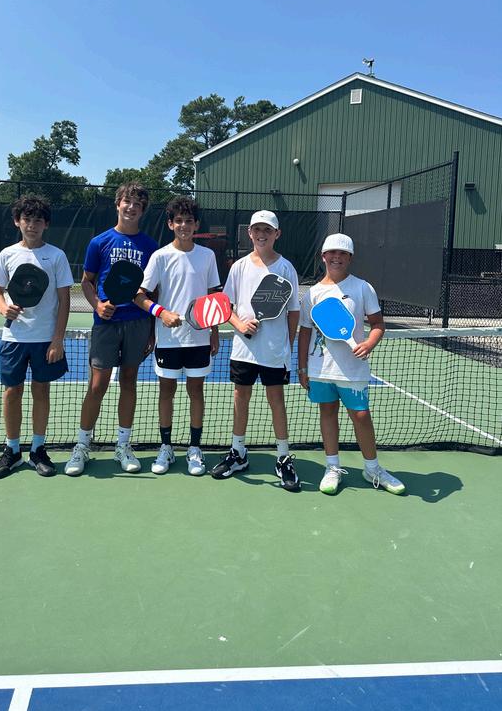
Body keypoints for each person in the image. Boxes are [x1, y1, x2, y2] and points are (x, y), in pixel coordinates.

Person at [298, 233, 405, 495]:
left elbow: (378, 324)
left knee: (361, 415)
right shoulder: (312, 294)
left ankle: (372, 469)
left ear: (350, 258)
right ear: (323, 256)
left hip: (353, 369)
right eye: (332, 253)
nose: (337, 257)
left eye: (342, 253)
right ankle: (332, 467)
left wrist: (369, 343)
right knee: (327, 412)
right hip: (320, 368)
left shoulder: (362, 288)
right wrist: (302, 367)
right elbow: (305, 333)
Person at [64, 182, 157, 476]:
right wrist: (97, 305)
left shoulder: (150, 246)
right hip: (106, 324)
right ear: (118, 204)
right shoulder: (99, 242)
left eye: (138, 205)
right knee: (97, 385)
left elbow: (154, 291)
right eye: (127, 202)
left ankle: (123, 446)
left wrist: (152, 330)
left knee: (129, 381)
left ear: (143, 211)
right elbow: (87, 281)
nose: (132, 208)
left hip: (138, 323)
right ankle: (82, 446)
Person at [211, 210, 301, 491]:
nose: (262, 234)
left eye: (267, 230)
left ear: (277, 234)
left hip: (274, 351)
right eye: (257, 229)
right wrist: (240, 324)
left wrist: (287, 344)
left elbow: (294, 312)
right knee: (241, 397)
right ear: (249, 233)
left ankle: (283, 457)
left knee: (276, 400)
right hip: (243, 350)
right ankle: (238, 452)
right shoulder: (239, 267)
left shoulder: (286, 268)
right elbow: (226, 305)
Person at [135, 196, 221, 476]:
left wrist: (214, 332)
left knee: (196, 391)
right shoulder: (160, 256)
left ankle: (195, 449)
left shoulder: (207, 256)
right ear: (171, 224)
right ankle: (166, 447)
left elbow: (213, 297)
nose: (184, 225)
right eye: (179, 221)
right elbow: (139, 296)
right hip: (168, 339)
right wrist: (161, 313)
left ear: (197, 225)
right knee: (166, 392)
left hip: (199, 338)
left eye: (189, 221)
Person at [0, 195, 73, 479]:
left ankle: (38, 449)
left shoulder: (57, 256)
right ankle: (12, 451)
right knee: (12, 392)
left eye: (38, 220)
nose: (32, 225)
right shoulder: (7, 254)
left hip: (45, 339)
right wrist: (3, 308)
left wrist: (58, 339)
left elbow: (65, 300)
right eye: (27, 219)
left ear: (46, 224)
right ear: (18, 222)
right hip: (14, 338)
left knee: (41, 391)